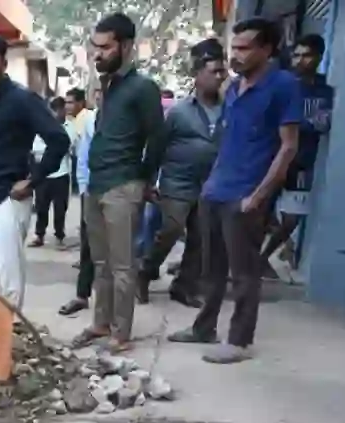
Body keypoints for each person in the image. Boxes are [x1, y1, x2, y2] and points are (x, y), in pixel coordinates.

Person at [168, 18, 301, 364]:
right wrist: (211, 182)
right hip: (215, 191)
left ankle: (239, 341)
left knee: (244, 273)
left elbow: (288, 147)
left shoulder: (283, 86)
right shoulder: (234, 88)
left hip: (246, 196)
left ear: (267, 49)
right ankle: (204, 328)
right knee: (211, 269)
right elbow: (228, 139)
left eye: (244, 48)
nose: (236, 55)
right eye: (234, 48)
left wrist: (258, 197)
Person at [73, 13, 164, 353]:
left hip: (123, 185)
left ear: (125, 46)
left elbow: (158, 138)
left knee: (123, 265)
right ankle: (101, 323)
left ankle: (121, 334)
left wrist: (144, 179)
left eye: (105, 47)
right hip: (96, 184)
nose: (97, 53)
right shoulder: (108, 85)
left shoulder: (143, 88)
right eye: (95, 47)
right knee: (101, 263)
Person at [0, 35, 70, 309]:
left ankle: (10, 330)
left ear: (4, 65)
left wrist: (33, 181)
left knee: (9, 278)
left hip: (8, 198)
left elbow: (59, 140)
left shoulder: (23, 99)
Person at [138, 39, 227, 308]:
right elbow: (156, 147)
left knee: (200, 237)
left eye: (222, 71)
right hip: (177, 182)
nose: (220, 76)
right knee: (171, 229)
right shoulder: (178, 112)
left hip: (209, 184)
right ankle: (145, 271)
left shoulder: (229, 109)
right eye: (214, 71)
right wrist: (148, 182)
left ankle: (183, 286)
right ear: (198, 75)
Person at [260, 33, 333, 274]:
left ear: (319, 57)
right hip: (272, 159)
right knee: (259, 212)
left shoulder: (325, 91)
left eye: (307, 55)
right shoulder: (282, 84)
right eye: (297, 55)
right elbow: (270, 120)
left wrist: (292, 122)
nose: (300, 60)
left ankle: (264, 257)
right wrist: (302, 122)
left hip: (302, 163)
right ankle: (249, 261)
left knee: (292, 218)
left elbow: (323, 123)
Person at [59, 90, 99, 316]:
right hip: (92, 191)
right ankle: (82, 295)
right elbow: (83, 158)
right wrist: (84, 189)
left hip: (121, 192)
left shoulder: (127, 120)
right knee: (88, 244)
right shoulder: (91, 121)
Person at [29, 97, 77, 249]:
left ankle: (59, 236)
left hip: (62, 174)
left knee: (60, 208)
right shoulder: (42, 127)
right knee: (41, 207)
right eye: (53, 111)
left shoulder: (70, 127)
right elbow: (35, 149)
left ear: (63, 111)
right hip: (44, 175)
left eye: (58, 110)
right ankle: (39, 235)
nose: (55, 114)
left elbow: (70, 147)